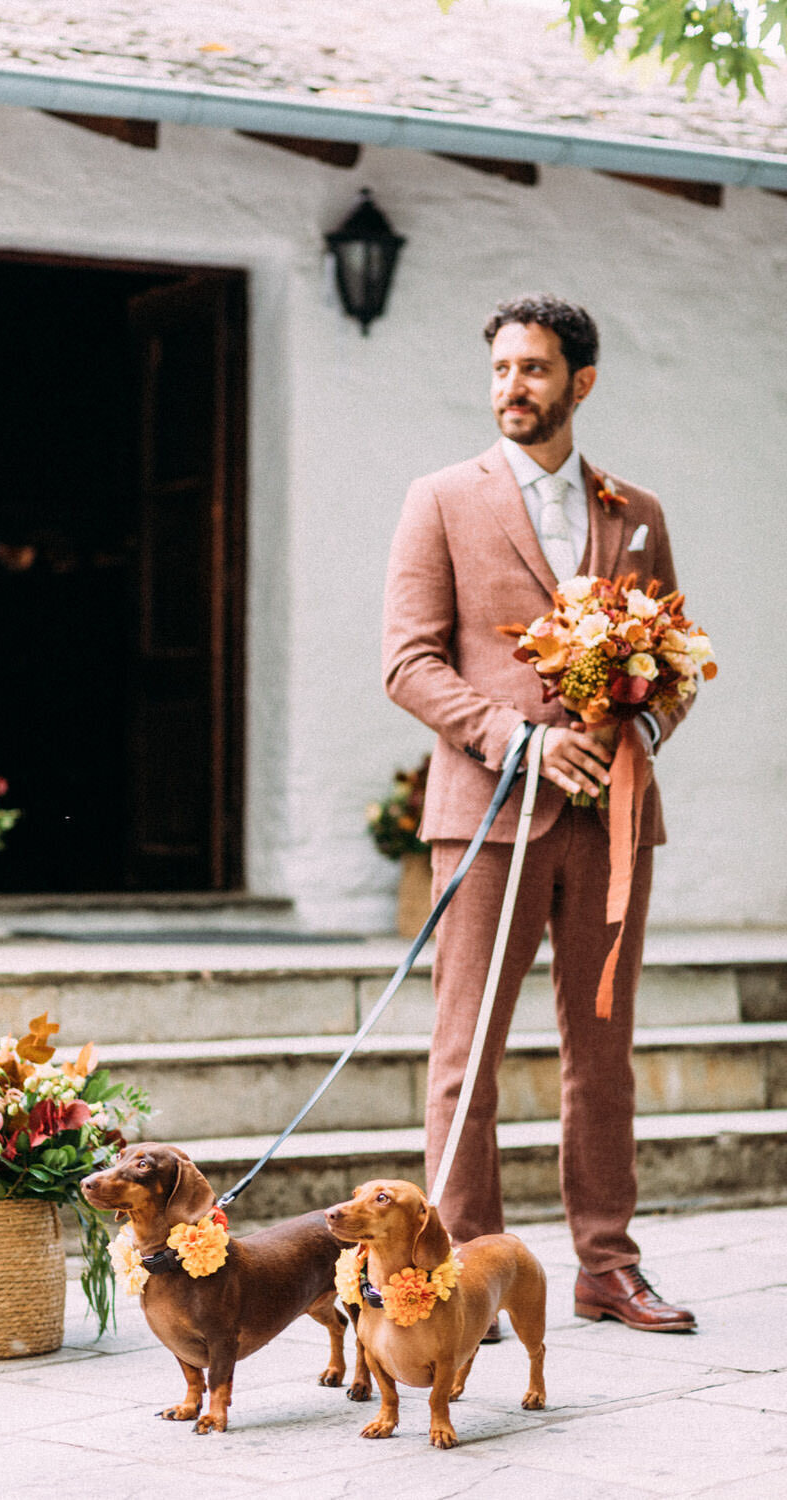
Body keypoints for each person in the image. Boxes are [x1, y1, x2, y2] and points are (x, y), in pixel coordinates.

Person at [382, 294, 696, 1333]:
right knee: (466, 1051)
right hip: (487, 818)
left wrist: (633, 738)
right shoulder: (440, 499)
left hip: (609, 827)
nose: (512, 388)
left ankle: (606, 1264)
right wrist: (521, 741)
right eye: (501, 370)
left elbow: (676, 667)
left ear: (580, 383)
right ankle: (467, 1263)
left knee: (602, 1050)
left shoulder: (634, 512)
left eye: (534, 370)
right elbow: (408, 663)